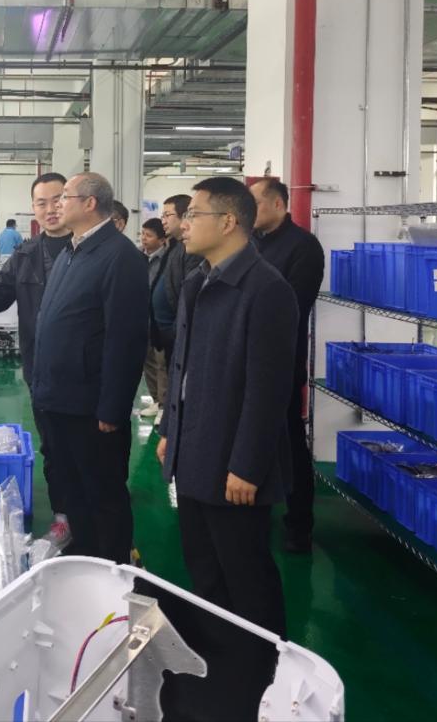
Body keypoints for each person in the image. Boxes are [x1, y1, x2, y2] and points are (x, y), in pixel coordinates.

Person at [156, 178, 297, 655]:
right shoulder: (197, 282)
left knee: (246, 574)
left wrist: (247, 465)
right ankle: (220, 662)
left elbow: (268, 390)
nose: (183, 224)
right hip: (193, 450)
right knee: (205, 569)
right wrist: (168, 430)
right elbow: (182, 368)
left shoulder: (266, 290)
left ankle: (267, 667)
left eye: (194, 214)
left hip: (233, 462)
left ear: (229, 222)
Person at [32, 173, 148, 563]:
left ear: (90, 203)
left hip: (91, 406)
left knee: (103, 494)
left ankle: (112, 568)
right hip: (59, 399)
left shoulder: (119, 257)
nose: (56, 205)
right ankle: (83, 559)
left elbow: (126, 339)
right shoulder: (72, 251)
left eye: (64, 197)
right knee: (73, 491)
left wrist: (112, 408)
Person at [0, 172, 74, 546]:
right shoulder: (25, 255)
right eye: (41, 202)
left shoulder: (91, 250)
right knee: (53, 446)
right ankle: (64, 516)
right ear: (33, 209)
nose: (50, 209)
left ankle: (99, 524)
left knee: (91, 452)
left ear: (72, 201)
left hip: (86, 371)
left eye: (58, 200)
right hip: (40, 369)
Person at [251, 177, 325, 554]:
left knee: (290, 441)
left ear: (278, 204)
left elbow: (293, 305)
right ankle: (256, 513)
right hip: (247, 360)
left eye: (256, 204)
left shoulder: (303, 247)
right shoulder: (253, 243)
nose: (249, 212)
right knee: (252, 440)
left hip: (281, 361)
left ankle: (299, 524)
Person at [150, 195, 202, 370]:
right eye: (162, 216)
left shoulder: (192, 250)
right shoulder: (174, 246)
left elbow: (188, 295)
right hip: (166, 334)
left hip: (177, 334)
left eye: (167, 215)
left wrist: (174, 330)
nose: (162, 221)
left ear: (184, 216)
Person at [138, 217, 167, 419]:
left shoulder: (165, 260)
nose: (144, 239)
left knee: (161, 362)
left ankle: (164, 405)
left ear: (162, 240)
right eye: (142, 234)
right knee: (147, 360)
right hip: (142, 318)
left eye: (149, 235)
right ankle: (156, 400)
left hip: (158, 320)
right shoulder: (139, 257)